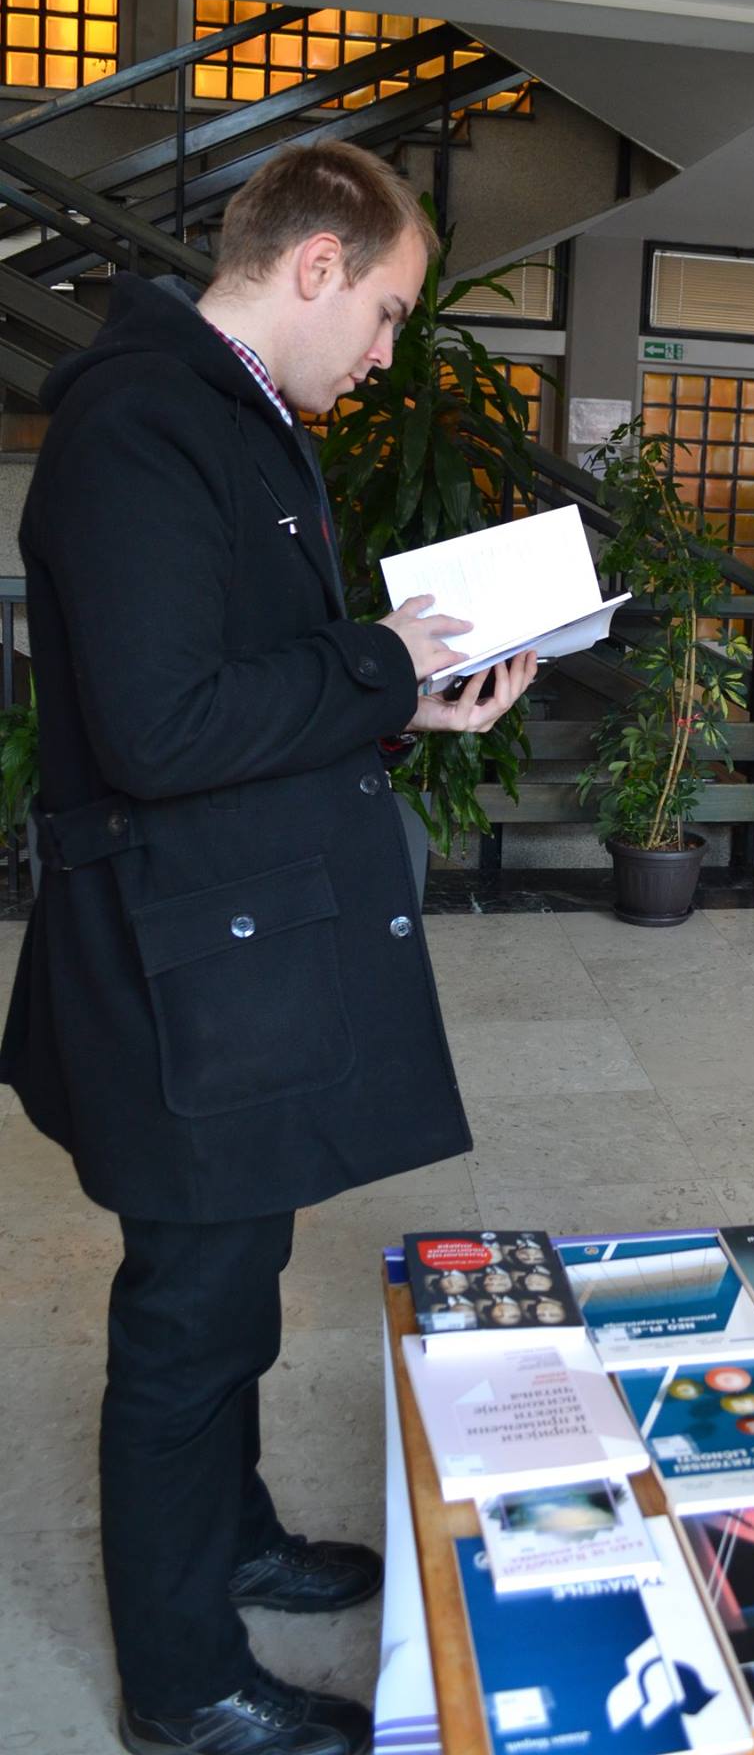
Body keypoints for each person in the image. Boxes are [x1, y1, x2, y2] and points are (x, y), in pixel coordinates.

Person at [0, 141, 536, 1755]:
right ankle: (185, 1687)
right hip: (186, 969)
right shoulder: (143, 424)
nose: (383, 353)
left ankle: (228, 1537)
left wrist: (404, 698)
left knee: (233, 1291)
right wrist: (378, 662)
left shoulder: (224, 412)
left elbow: (239, 675)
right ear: (316, 265)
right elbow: (161, 727)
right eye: (384, 312)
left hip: (235, 949)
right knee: (187, 1318)